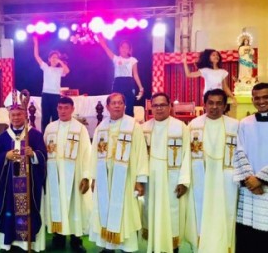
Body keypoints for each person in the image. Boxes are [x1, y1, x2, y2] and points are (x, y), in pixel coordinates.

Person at [89, 92, 148, 252]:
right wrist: (93, 177)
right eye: (113, 103)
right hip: (105, 177)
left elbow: (141, 152)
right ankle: (108, 246)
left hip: (126, 178)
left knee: (125, 212)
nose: (117, 105)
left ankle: (125, 247)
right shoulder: (101, 127)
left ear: (124, 105)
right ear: (107, 107)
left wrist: (140, 179)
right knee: (105, 209)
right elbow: (94, 153)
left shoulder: (133, 126)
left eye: (120, 103)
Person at [184, 89, 239, 253]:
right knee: (200, 215)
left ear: (224, 105)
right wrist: (185, 179)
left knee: (224, 214)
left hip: (226, 181)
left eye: (219, 103)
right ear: (204, 104)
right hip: (201, 178)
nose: (214, 107)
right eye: (211, 103)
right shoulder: (194, 125)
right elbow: (187, 155)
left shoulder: (235, 125)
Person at [0, 94, 47, 252]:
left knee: (28, 211)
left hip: (29, 185)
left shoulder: (34, 135)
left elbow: (43, 156)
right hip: (9, 185)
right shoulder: (3, 137)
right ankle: (8, 243)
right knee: (10, 210)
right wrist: (5, 156)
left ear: (25, 115)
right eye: (13, 115)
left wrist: (34, 155)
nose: (16, 118)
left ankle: (27, 243)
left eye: (19, 114)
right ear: (9, 116)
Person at [142, 93, 190, 253]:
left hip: (173, 179)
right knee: (152, 212)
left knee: (171, 213)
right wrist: (139, 180)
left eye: (163, 105)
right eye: (155, 105)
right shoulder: (144, 128)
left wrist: (184, 180)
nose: (159, 108)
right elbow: (139, 157)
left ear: (170, 106)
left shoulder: (180, 127)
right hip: (151, 180)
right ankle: (154, 247)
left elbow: (187, 156)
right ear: (151, 108)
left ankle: (172, 249)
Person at [44, 96, 91, 252]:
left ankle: (75, 239)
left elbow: (87, 153)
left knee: (74, 206)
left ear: (72, 109)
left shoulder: (80, 129)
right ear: (57, 109)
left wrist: (86, 175)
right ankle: (59, 236)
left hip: (74, 175)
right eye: (60, 107)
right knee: (57, 204)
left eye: (66, 108)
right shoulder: (50, 127)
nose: (62, 111)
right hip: (54, 174)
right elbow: (44, 151)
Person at [234, 82, 268, 252]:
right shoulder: (245, 123)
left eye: (265, 97)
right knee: (248, 239)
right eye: (257, 98)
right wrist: (250, 179)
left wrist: (261, 178)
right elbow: (239, 152)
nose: (261, 101)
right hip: (249, 189)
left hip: (265, 186)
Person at [98, 35, 144, 116]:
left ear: (129, 50)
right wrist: (102, 42)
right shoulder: (116, 58)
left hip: (129, 83)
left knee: (129, 107)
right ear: (119, 48)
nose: (124, 49)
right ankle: (116, 124)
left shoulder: (133, 60)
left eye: (126, 48)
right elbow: (105, 48)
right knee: (116, 104)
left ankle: (129, 126)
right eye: (122, 47)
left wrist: (141, 88)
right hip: (118, 83)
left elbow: (135, 75)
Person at [33, 36, 70, 133]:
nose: (54, 59)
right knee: (45, 118)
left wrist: (60, 61)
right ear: (49, 59)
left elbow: (67, 71)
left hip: (56, 96)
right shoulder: (46, 67)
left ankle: (55, 135)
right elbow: (37, 56)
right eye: (53, 57)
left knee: (55, 117)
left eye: (56, 57)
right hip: (46, 95)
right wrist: (36, 43)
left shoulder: (59, 70)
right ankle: (44, 137)